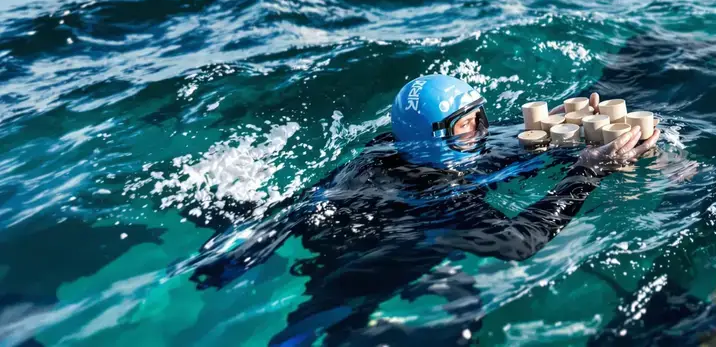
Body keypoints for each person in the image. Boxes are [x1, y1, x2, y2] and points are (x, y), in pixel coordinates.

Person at [188, 74, 660, 346]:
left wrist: (564, 132)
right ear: (436, 138)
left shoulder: (398, 147)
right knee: (327, 327)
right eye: (468, 125)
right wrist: (588, 173)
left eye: (482, 115)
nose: (483, 130)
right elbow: (518, 243)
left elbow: (494, 152)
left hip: (345, 221)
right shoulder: (431, 191)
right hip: (359, 262)